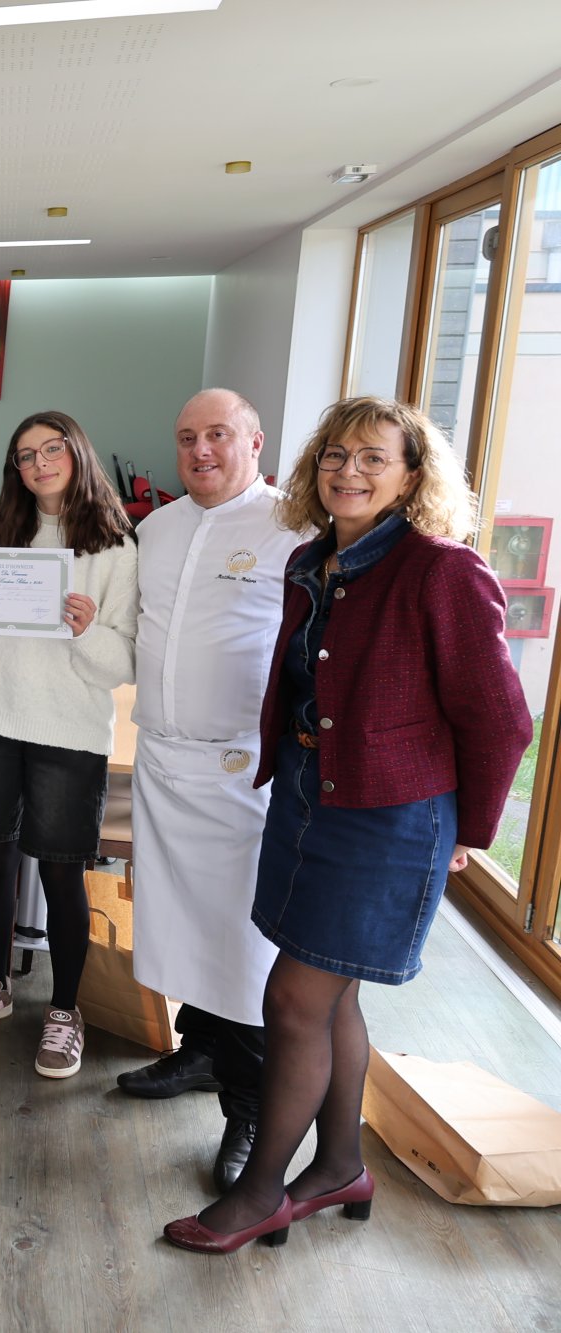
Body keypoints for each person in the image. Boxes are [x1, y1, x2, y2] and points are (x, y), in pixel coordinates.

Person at [164, 397, 530, 1254]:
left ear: (411, 475)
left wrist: (469, 831)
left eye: (373, 457)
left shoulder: (441, 569)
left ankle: (262, 1192)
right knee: (334, 997)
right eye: (334, 455)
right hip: (306, 798)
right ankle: (339, 1167)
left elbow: (502, 718)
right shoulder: (312, 559)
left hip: (388, 820)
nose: (348, 471)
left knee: (293, 998)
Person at [121, 390, 304, 1192]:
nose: (200, 449)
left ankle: (251, 1108)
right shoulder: (155, 528)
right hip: (163, 762)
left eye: (218, 435)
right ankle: (198, 1050)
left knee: (241, 944)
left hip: (241, 771)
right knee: (180, 925)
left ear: (255, 442)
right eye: (187, 436)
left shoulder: (292, 527)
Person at [0, 411, 138, 1081]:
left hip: (69, 730)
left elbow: (121, 663)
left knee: (60, 871)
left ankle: (66, 1009)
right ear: (15, 469)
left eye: (53, 449)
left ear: (77, 454)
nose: (40, 462)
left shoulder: (115, 545)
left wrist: (85, 630)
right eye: (26, 455)